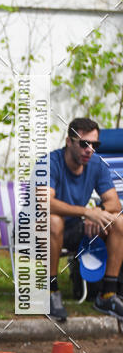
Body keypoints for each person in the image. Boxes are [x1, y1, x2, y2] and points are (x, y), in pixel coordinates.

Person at [49, 117, 123, 321]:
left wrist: (97, 212)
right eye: (84, 143)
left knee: (118, 220)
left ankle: (107, 294)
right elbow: (44, 204)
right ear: (69, 142)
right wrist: (86, 212)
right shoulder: (50, 163)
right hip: (35, 233)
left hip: (73, 228)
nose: (89, 149)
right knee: (54, 221)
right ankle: (50, 292)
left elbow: (114, 203)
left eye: (95, 144)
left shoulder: (96, 164)